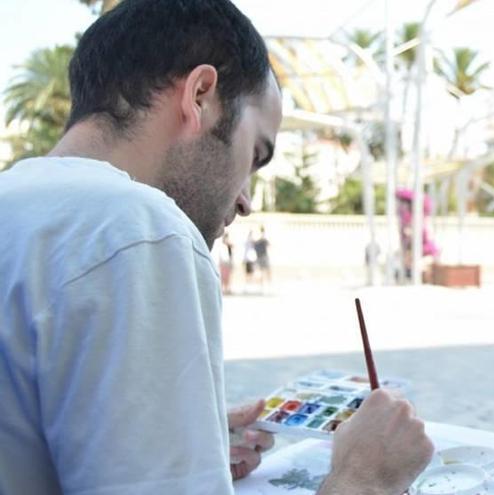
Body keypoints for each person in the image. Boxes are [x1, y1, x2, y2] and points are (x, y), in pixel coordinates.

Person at [0, 1, 433, 494]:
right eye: (255, 155)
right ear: (200, 95)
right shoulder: (139, 228)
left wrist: (178, 448)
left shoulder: (17, 203)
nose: (246, 199)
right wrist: (365, 477)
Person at [254, 225, 272, 290]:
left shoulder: (262, 237)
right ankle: (263, 284)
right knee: (264, 270)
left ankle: (266, 284)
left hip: (262, 255)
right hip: (262, 256)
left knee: (265, 270)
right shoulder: (261, 237)